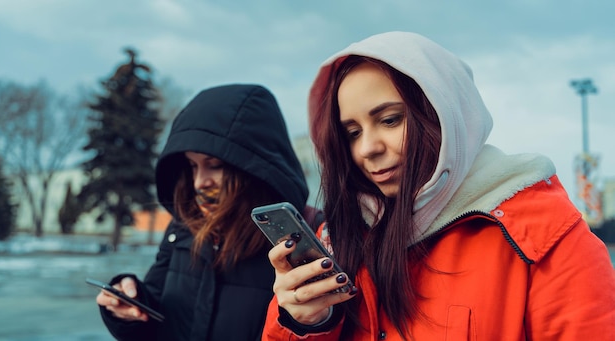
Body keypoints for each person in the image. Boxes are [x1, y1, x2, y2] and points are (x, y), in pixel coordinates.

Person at [262, 32, 615, 340]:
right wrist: (305, 323)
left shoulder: (544, 238)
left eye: (389, 120)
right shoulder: (337, 240)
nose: (367, 148)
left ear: (445, 113)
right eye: (352, 133)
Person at [94, 83, 318, 340]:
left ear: (255, 167)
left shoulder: (295, 240)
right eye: (192, 166)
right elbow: (157, 313)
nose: (201, 181)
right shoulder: (183, 228)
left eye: (214, 165)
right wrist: (129, 307)